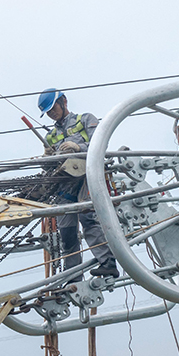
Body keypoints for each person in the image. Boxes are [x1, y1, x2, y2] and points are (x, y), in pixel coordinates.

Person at [37, 88, 119, 279]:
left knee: (89, 219)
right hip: (65, 185)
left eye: (53, 108)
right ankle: (73, 274)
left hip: (87, 178)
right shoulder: (50, 136)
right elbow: (47, 168)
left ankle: (107, 263)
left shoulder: (84, 120)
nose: (51, 114)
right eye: (48, 112)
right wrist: (46, 158)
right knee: (66, 231)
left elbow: (101, 145)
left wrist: (78, 147)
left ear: (63, 101)